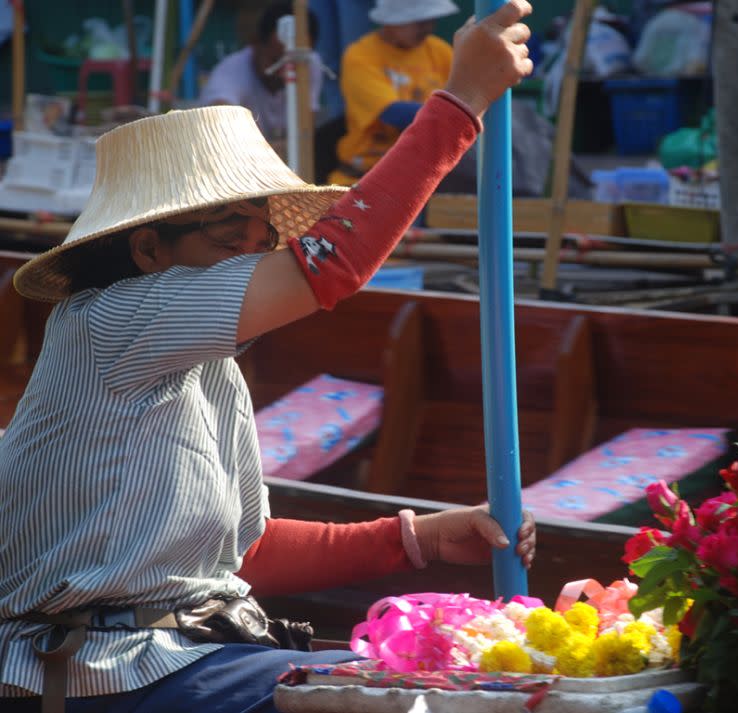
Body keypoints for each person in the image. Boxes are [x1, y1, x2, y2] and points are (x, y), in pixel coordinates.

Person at [0, 2, 534, 712]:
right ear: (149, 250)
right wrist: (461, 101)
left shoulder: (203, 359)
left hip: (188, 650)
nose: (253, 259)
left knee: (454, 679)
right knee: (408, 699)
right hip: (100, 667)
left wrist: (419, 538)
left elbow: (238, 554)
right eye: (230, 239)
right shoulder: (108, 319)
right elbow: (333, 262)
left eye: (260, 243)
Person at [328, 0, 459, 186]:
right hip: (363, 178)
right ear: (389, 22)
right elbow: (392, 113)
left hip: (423, 178)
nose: (427, 28)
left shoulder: (440, 51)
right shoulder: (360, 55)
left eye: (431, 20)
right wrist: (453, 113)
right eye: (418, 21)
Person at [199, 1, 324, 143]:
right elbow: (219, 118)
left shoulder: (309, 63)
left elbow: (306, 132)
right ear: (255, 43)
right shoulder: (229, 74)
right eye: (276, 61)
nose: (285, 73)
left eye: (294, 66)